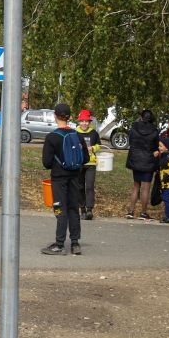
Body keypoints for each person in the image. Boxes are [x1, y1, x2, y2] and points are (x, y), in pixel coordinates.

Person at [40, 103, 91, 256]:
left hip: (59, 179)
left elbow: (46, 163)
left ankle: (60, 244)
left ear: (55, 116)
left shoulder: (52, 137)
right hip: (75, 177)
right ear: (69, 118)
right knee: (73, 209)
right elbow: (86, 158)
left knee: (60, 208)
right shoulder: (78, 135)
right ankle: (75, 243)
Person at [125, 109, 159, 219]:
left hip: (135, 159)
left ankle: (131, 211)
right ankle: (143, 213)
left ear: (142, 117)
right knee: (146, 188)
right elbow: (156, 146)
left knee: (136, 186)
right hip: (148, 160)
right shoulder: (154, 130)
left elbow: (130, 141)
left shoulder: (134, 127)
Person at [75, 109, 101, 220]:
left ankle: (90, 209)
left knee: (89, 186)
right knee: (80, 186)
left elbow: (99, 145)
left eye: (86, 121)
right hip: (79, 163)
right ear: (79, 122)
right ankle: (83, 209)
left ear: (89, 122)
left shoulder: (94, 133)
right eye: (82, 121)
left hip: (91, 163)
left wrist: (93, 148)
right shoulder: (74, 133)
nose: (84, 123)